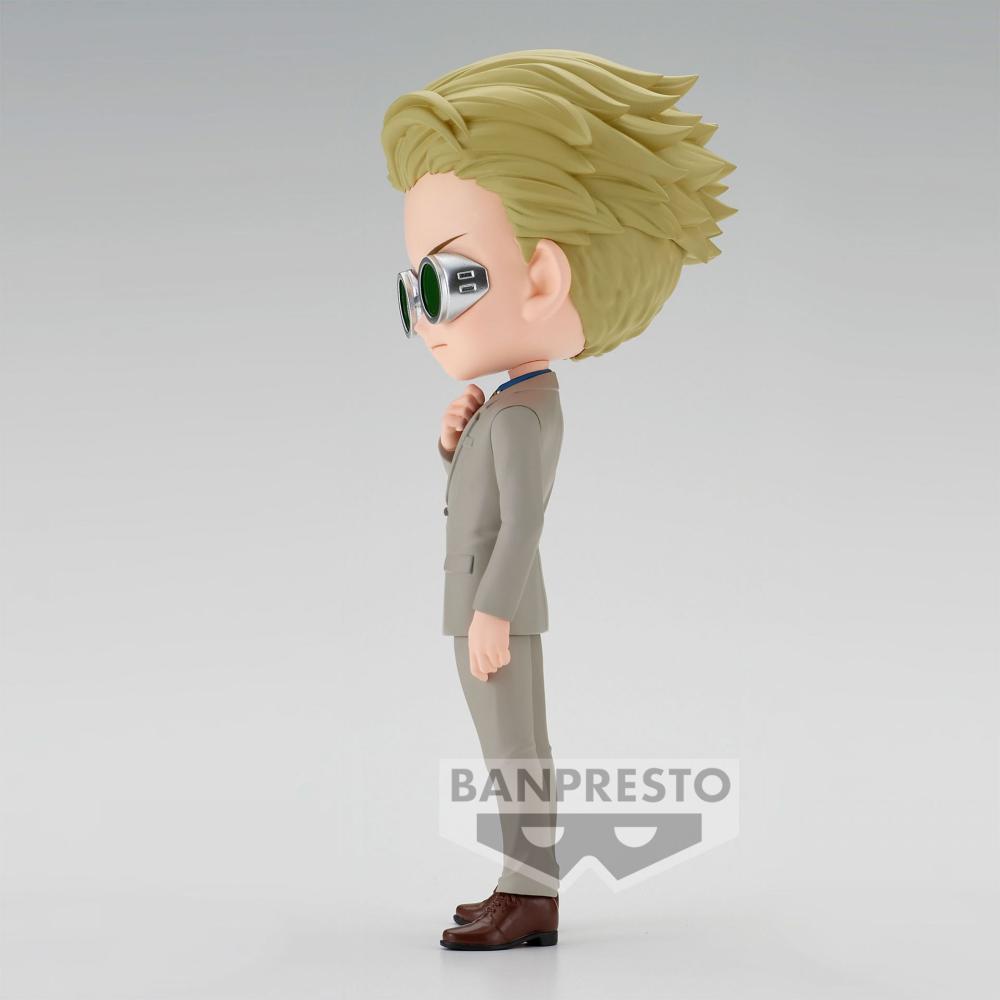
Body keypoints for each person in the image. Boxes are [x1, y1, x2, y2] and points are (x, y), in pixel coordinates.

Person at [381, 48, 736, 950]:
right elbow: (489, 502)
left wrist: (493, 609)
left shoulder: (523, 412)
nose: (426, 318)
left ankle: (530, 895)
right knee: (511, 750)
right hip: (482, 602)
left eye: (449, 282)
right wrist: (453, 446)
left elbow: (525, 520)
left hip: (490, 608)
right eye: (413, 291)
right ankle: (519, 886)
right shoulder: (511, 406)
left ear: (542, 279)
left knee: (516, 753)